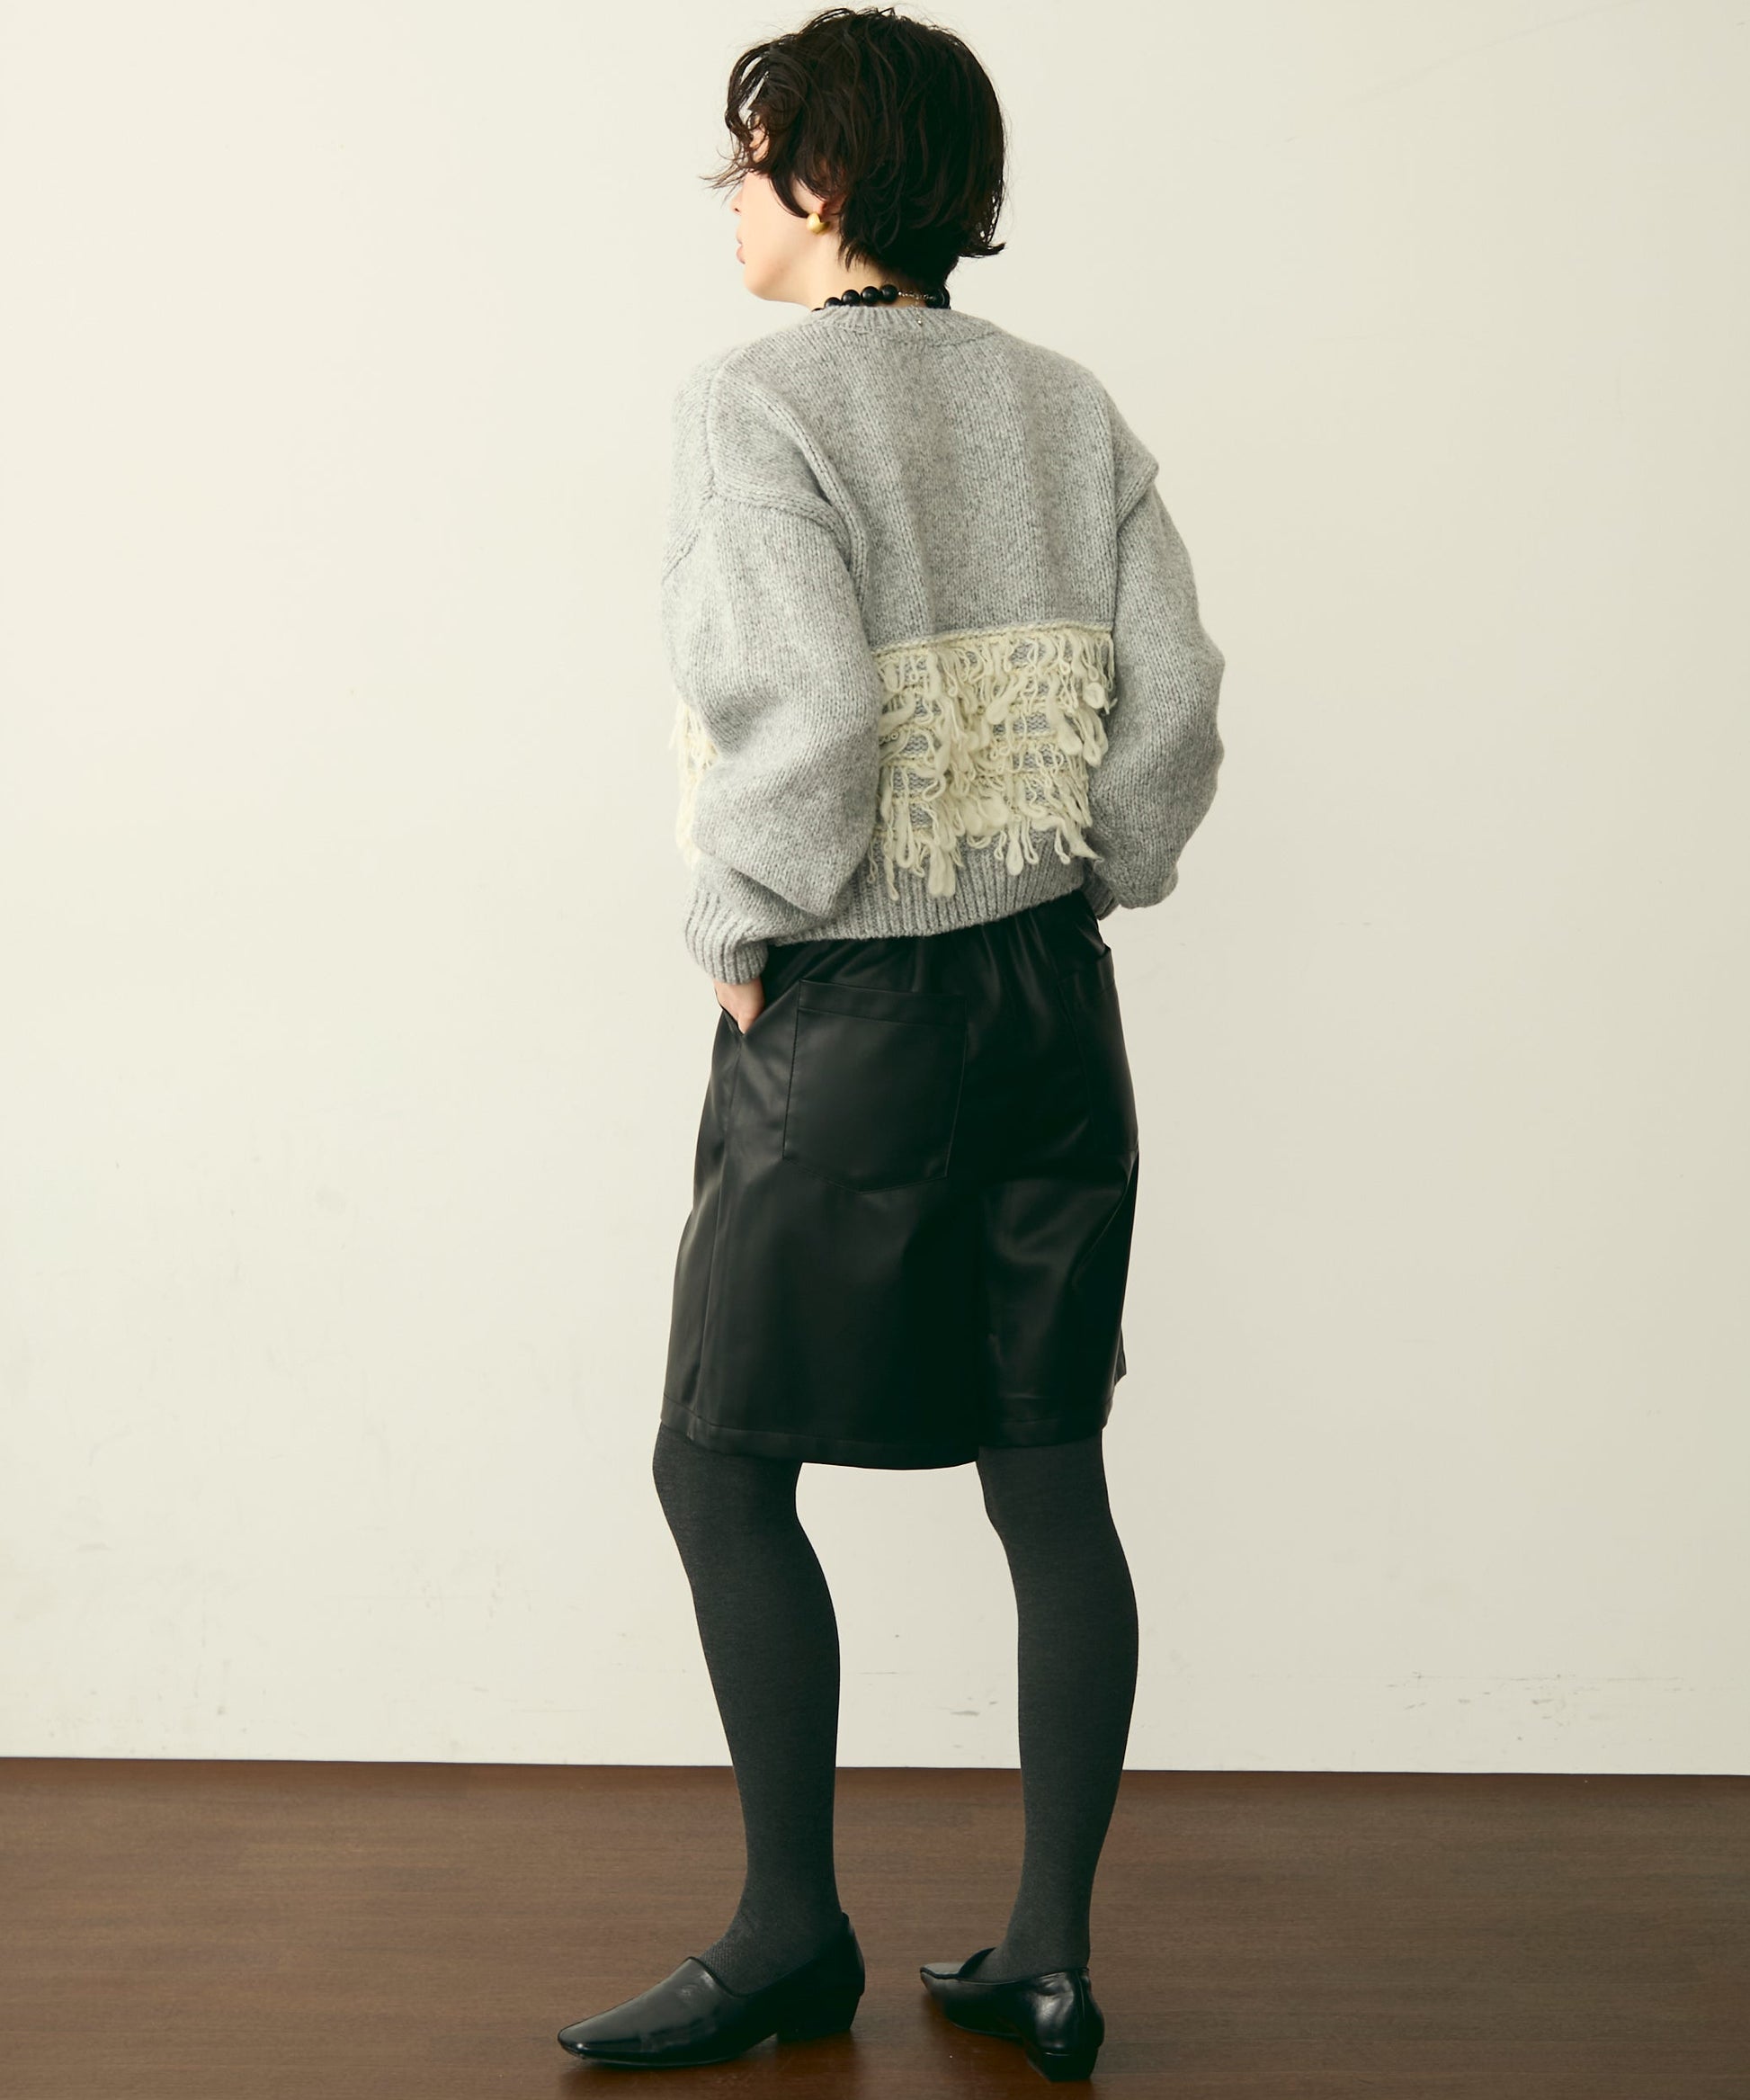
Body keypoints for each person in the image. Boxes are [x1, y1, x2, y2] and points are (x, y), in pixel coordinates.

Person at [557, 4, 1224, 2081]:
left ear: (824, 174)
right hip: (1049, 996)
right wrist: (1090, 868)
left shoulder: (757, 403)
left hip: (853, 1000)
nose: (726, 199)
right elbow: (1173, 704)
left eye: (745, 162)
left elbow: (811, 711)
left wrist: (739, 914)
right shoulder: (1066, 405)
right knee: (1048, 1469)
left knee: (716, 1453)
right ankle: (1048, 1959)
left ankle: (788, 1933)